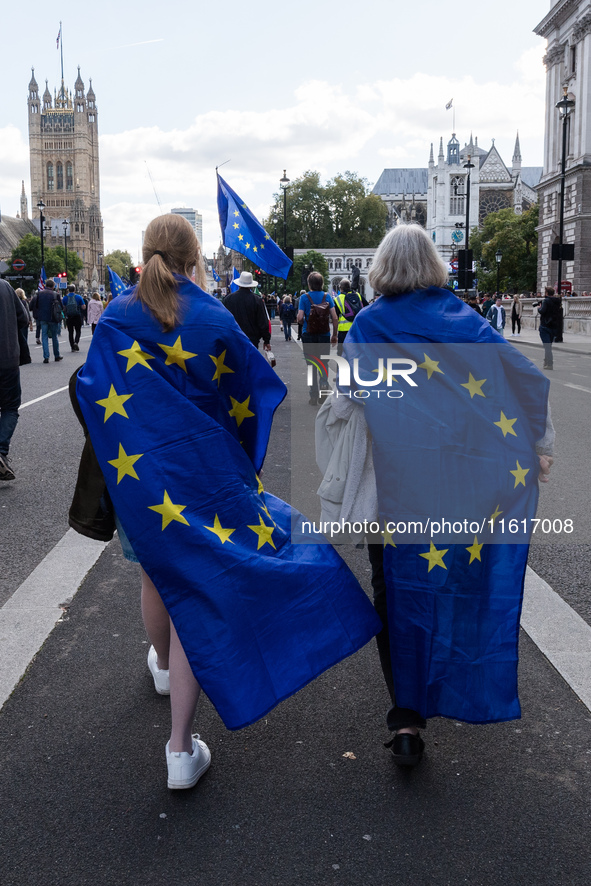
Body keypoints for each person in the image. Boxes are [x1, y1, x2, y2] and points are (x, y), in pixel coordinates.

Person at [73, 213, 379, 790]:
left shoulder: (115, 315)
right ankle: (179, 748)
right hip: (207, 480)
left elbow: (91, 390)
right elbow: (252, 390)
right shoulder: (212, 315)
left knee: (156, 578)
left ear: (145, 253)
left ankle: (162, 668)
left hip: (143, 484)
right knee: (198, 592)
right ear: (194, 259)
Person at [341, 224, 552, 767]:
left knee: (393, 590)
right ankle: (452, 684)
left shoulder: (369, 323)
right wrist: (538, 446)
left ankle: (407, 717)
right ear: (434, 264)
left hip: (393, 488)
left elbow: (348, 395)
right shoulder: (465, 319)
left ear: (382, 268)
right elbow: (521, 376)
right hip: (456, 486)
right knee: (451, 583)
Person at [0, 280, 29, 481]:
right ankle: (0, 451)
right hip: (6, 358)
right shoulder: (5, 286)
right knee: (10, 408)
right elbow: (23, 318)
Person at [297, 272, 338, 405]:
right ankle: (324, 384)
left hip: (308, 335)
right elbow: (335, 317)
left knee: (311, 366)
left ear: (309, 284)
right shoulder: (327, 297)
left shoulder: (304, 297)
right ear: (321, 283)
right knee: (323, 363)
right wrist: (334, 335)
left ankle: (313, 395)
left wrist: (306, 323)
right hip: (324, 334)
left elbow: (299, 318)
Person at [223, 271, 271, 351]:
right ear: (251, 286)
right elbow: (263, 322)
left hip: (233, 338)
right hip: (251, 339)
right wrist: (266, 340)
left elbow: (224, 320)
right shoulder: (257, 300)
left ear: (239, 285)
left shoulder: (228, 299)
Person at [35, 279, 63, 363]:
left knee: (44, 336)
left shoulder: (39, 294)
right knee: (54, 336)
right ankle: (56, 355)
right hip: (53, 318)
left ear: (45, 285)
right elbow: (61, 306)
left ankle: (46, 357)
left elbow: (36, 306)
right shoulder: (55, 294)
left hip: (43, 318)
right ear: (53, 286)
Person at [334, 278, 365, 353]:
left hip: (343, 331)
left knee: (342, 353)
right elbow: (367, 308)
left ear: (340, 288)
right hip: (356, 328)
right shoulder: (358, 295)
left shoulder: (338, 299)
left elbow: (335, 316)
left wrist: (334, 334)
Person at [538, 286, 563, 370]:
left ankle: (549, 363)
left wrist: (539, 308)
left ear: (547, 293)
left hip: (545, 325)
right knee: (548, 345)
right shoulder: (558, 302)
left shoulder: (546, 301)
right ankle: (546, 361)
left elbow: (542, 311)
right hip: (554, 326)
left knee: (547, 346)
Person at [62, 283, 86, 352]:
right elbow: (83, 307)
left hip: (69, 317)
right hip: (77, 316)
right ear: (74, 290)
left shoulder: (65, 297)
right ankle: (76, 342)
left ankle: (72, 346)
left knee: (70, 332)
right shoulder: (78, 297)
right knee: (78, 331)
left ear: (69, 290)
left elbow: (63, 308)